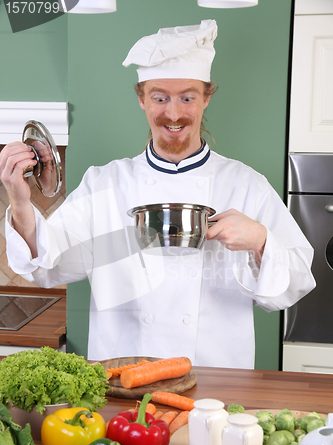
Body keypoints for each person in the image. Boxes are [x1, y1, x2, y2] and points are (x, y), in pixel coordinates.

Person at [0, 20, 315, 368]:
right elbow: (45, 265)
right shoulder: (105, 183)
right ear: (141, 98)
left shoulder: (245, 185)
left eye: (188, 98)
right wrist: (19, 199)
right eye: (160, 97)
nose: (174, 113)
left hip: (217, 385)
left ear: (207, 97)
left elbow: (295, 283)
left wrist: (260, 239)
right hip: (125, 384)